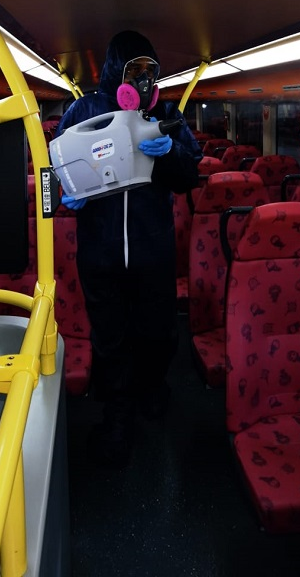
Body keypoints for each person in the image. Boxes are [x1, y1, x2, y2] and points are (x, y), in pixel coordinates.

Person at [56, 30, 202, 468]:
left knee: (157, 331)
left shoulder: (167, 114)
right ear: (113, 72)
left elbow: (189, 176)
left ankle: (153, 389)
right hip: (100, 250)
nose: (141, 80)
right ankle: (117, 415)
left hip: (152, 246)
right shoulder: (83, 111)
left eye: (149, 71)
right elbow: (58, 164)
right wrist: (65, 193)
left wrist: (171, 152)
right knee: (110, 336)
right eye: (132, 70)